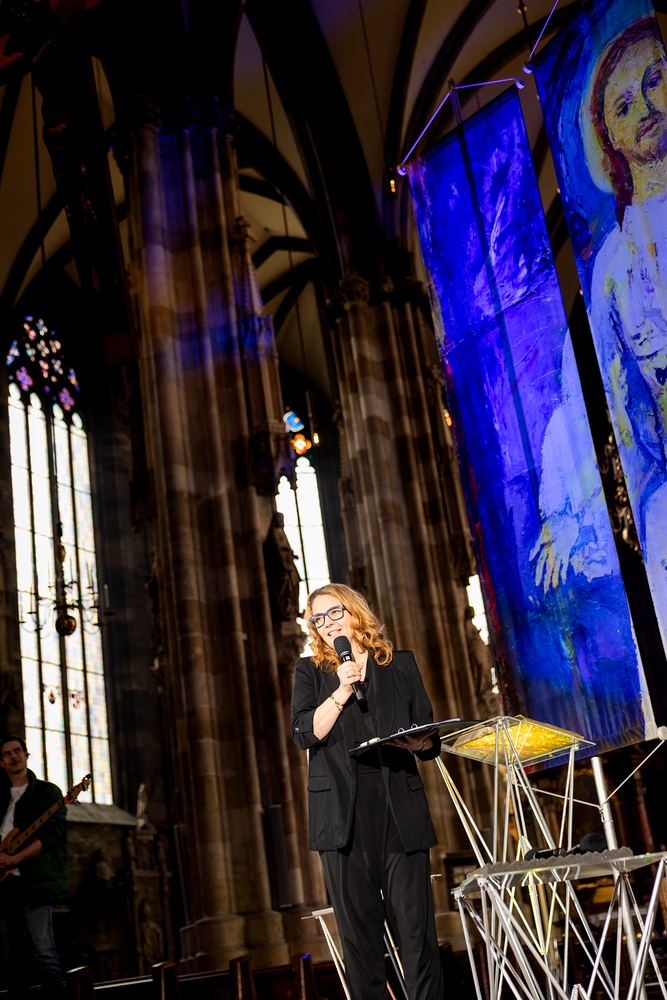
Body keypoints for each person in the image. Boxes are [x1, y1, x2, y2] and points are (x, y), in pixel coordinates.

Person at [291, 583, 444, 1000]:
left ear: (355, 611)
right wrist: (341, 691)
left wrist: (419, 743)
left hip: (399, 811)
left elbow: (429, 737)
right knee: (361, 944)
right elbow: (304, 733)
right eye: (317, 619)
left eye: (334, 613)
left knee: (417, 937)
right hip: (342, 818)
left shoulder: (400, 664)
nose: (326, 624)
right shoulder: (310, 672)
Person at [583, 15, 667, 619]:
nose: (644, 107)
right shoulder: (612, 262)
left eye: (654, 80)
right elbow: (621, 400)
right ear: (607, 134)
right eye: (622, 104)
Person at [0, 736, 67, 997]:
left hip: (34, 881)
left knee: (44, 952)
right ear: (2, 762)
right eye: (7, 753)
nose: (13, 755)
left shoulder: (47, 793)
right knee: (10, 958)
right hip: (3, 885)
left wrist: (15, 859)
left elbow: (52, 836)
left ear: (26, 755)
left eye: (18, 750)